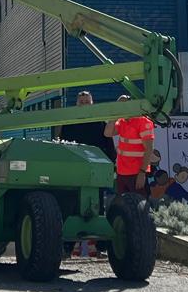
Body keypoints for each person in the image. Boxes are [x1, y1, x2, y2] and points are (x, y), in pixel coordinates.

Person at [56, 91, 114, 257]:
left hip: (97, 172)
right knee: (70, 207)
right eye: (81, 101)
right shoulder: (69, 123)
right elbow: (62, 145)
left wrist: (112, 165)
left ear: (92, 103)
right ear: (77, 104)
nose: (84, 104)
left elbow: (109, 147)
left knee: (99, 208)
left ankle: (99, 248)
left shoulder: (100, 123)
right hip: (73, 172)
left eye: (87, 101)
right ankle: (67, 248)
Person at [104, 95, 155, 196]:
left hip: (136, 173)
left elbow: (149, 149)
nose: (121, 108)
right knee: (124, 206)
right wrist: (115, 115)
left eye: (123, 105)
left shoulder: (143, 121)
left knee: (139, 205)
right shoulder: (122, 121)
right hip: (121, 173)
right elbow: (107, 133)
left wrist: (142, 172)